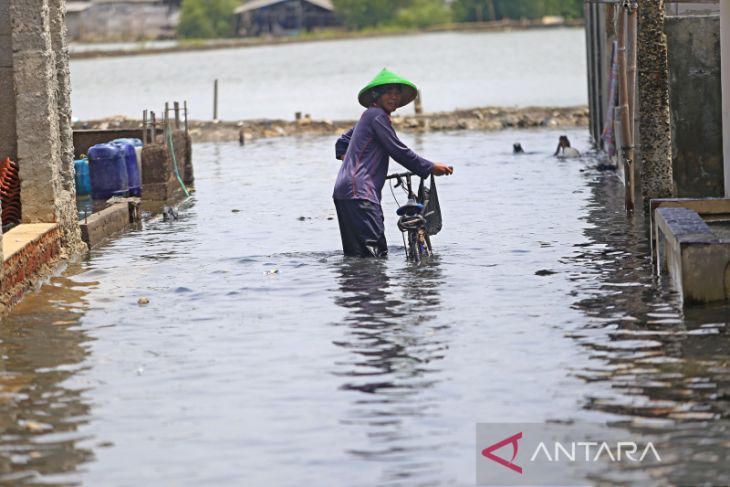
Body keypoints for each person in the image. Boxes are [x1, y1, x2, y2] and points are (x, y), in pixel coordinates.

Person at [333, 68, 453, 258]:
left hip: (345, 191)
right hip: (360, 193)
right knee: (375, 253)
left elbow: (342, 143)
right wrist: (430, 167)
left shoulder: (369, 116)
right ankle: (373, 286)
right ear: (376, 95)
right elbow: (397, 150)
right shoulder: (377, 116)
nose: (394, 97)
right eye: (389, 92)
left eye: (397, 93)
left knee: (357, 256)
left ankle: (356, 286)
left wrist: (352, 162)